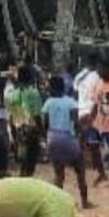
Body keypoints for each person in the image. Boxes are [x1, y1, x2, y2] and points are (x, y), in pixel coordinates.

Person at [40, 76, 89, 209]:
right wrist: (82, 137)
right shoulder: (71, 102)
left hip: (53, 138)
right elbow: (76, 123)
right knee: (80, 170)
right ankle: (84, 201)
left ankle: (58, 203)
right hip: (68, 138)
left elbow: (45, 122)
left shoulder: (48, 103)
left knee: (59, 173)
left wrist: (46, 136)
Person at [5, 66, 44, 178]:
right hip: (31, 131)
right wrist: (42, 134)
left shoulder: (11, 95)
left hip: (18, 131)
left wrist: (12, 134)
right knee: (30, 164)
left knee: (22, 162)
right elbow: (37, 116)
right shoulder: (34, 93)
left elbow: (11, 117)